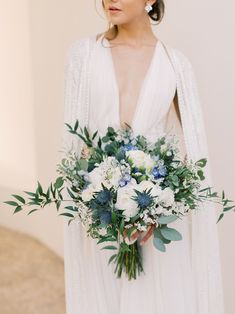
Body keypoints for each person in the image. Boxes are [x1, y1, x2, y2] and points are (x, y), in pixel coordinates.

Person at [62, 1, 225, 313]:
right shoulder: (83, 55)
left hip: (156, 227)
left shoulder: (176, 65)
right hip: (101, 220)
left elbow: (194, 153)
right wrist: (100, 202)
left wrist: (161, 206)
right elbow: (74, 144)